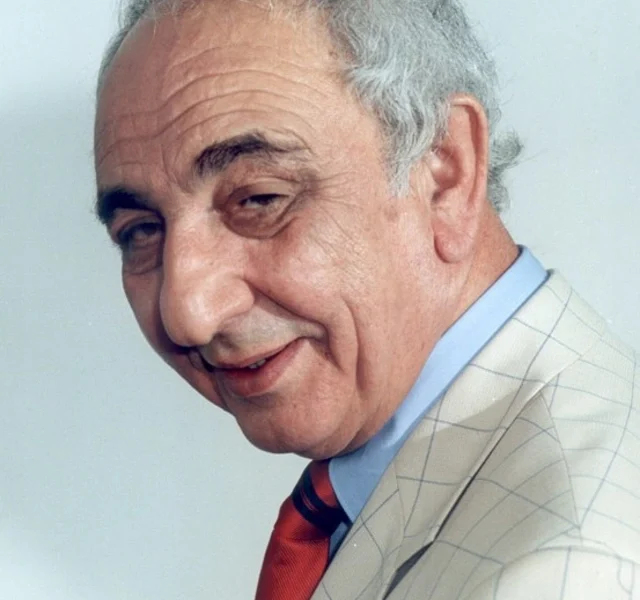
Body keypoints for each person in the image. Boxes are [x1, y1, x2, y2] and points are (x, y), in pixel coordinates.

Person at [93, 0, 640, 598]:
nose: (188, 315)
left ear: (446, 174)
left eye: (258, 199)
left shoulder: (562, 573)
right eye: (140, 232)